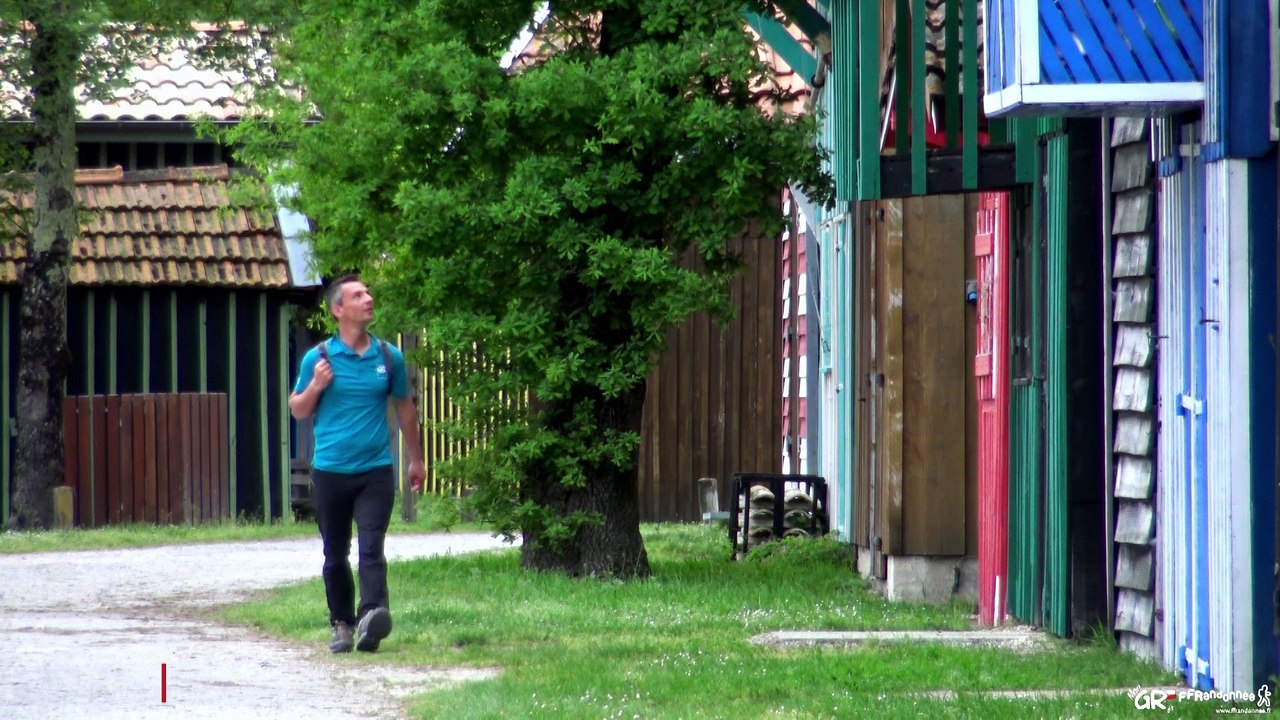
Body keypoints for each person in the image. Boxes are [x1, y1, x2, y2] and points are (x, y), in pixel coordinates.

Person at [289, 275, 425, 653]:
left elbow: (405, 409)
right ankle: (341, 623)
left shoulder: (388, 357)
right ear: (338, 310)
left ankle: (371, 617)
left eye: (367, 293)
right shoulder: (318, 359)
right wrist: (315, 386)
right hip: (331, 471)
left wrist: (417, 459)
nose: (369, 298)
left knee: (371, 548)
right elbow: (297, 409)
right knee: (335, 553)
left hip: (375, 470)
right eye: (358, 295)